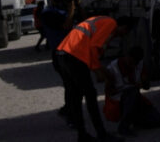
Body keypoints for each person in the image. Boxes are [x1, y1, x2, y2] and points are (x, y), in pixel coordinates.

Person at [55, 14, 137, 142]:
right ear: (124, 27)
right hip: (74, 55)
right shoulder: (111, 23)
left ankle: (82, 135)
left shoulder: (101, 21)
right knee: (90, 95)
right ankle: (101, 134)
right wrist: (98, 72)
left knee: (76, 96)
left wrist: (99, 70)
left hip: (63, 54)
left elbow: (93, 50)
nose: (123, 35)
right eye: (126, 32)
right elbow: (93, 48)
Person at [103, 46, 160, 136]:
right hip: (118, 103)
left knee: (156, 120)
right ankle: (124, 126)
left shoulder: (139, 65)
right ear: (127, 57)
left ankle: (134, 119)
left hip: (134, 101)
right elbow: (109, 92)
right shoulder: (113, 68)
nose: (132, 66)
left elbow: (146, 86)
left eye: (135, 63)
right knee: (131, 92)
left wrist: (144, 82)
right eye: (131, 62)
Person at [42, 0, 78, 127]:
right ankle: (71, 116)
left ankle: (68, 111)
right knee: (71, 86)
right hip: (61, 54)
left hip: (72, 52)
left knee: (73, 86)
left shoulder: (61, 9)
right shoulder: (48, 13)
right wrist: (72, 8)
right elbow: (66, 26)